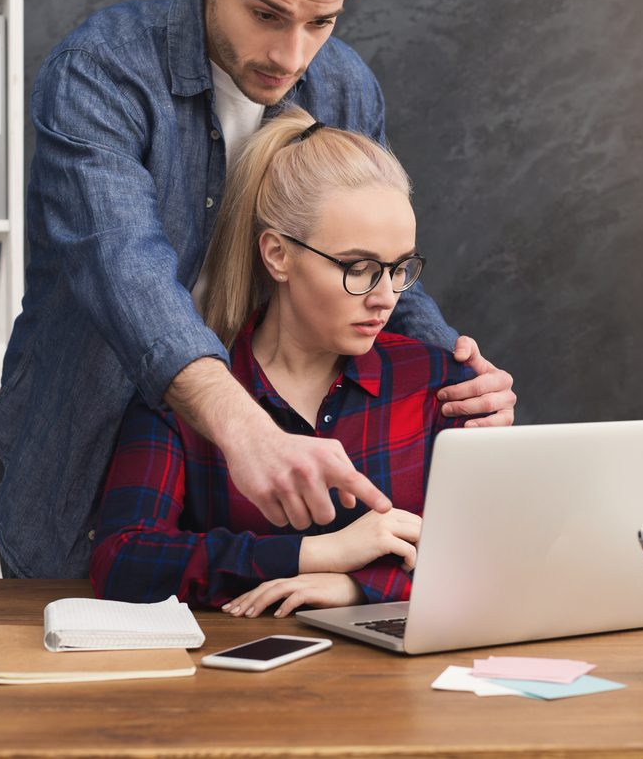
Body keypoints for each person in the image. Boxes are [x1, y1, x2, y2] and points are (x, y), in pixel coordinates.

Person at [0, 0, 516, 579]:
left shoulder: (346, 88)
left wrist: (459, 376)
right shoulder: (100, 69)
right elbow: (121, 264)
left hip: (240, 475)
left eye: (322, 21)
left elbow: (368, 249)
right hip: (84, 451)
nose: (292, 55)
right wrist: (245, 428)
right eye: (266, 15)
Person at [91, 107, 474, 615]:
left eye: (401, 268)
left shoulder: (441, 385)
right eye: (359, 268)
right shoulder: (187, 397)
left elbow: (499, 552)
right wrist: (316, 555)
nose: (387, 297)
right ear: (277, 255)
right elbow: (123, 562)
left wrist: (359, 586)